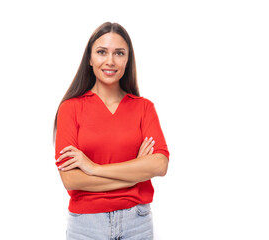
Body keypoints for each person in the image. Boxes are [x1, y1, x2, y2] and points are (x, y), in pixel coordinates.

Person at [53, 22, 169, 240]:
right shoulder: (71, 108)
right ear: (89, 58)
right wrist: (134, 177)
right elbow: (71, 179)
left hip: (138, 223)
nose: (110, 61)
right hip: (87, 225)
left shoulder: (144, 107)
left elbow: (160, 164)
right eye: (101, 52)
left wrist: (93, 167)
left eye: (119, 53)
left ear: (128, 59)